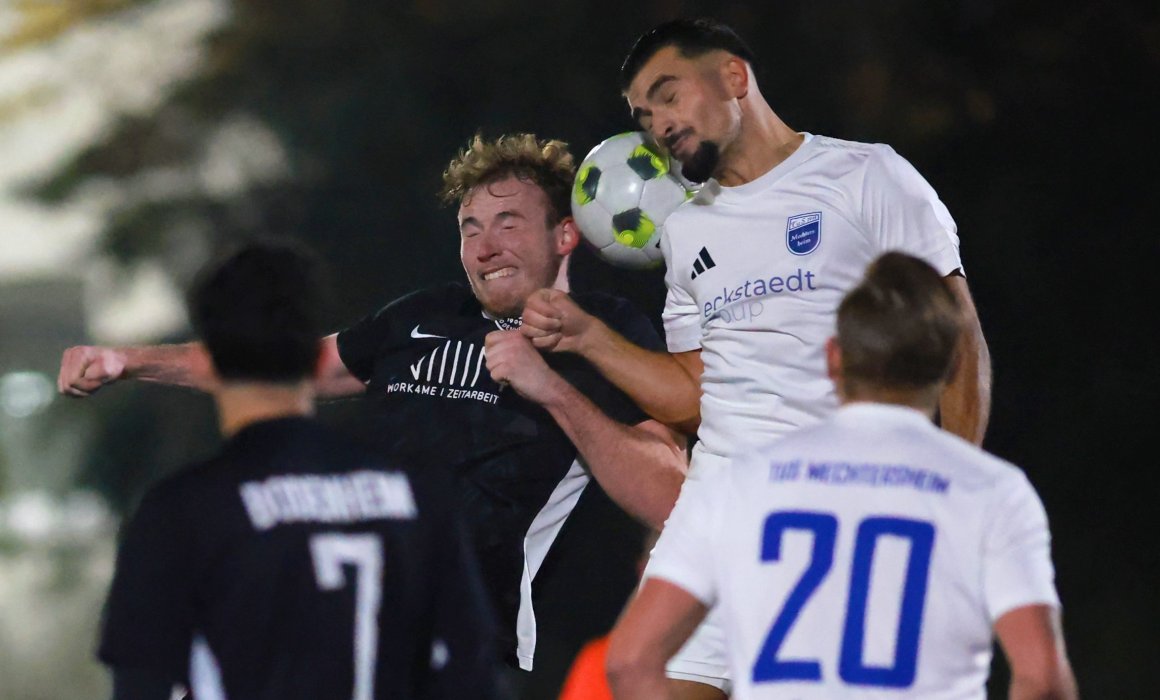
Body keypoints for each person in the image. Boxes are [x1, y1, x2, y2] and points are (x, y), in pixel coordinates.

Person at [60, 134, 687, 698]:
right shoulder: (425, 315)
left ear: (565, 235)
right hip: (326, 626)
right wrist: (127, 359)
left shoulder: (606, 334)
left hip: (463, 642)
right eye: (469, 228)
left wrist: (548, 388)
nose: (485, 247)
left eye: (508, 223)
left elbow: (667, 496)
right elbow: (271, 363)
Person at [519, 18, 993, 697]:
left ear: (734, 77)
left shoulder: (867, 176)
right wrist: (588, 337)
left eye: (668, 95)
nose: (659, 124)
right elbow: (691, 393)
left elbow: (958, 339)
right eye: (644, 115)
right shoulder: (686, 231)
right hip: (722, 509)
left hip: (843, 509)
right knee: (632, 669)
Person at [605, 252, 1077, 700]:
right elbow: (1040, 678)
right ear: (951, 363)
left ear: (833, 358)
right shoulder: (992, 492)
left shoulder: (741, 484)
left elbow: (631, 660)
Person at [97, 242, 498, 700]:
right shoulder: (415, 498)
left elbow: (143, 683)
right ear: (317, 357)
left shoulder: (179, 513)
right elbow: (472, 677)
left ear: (205, 364)